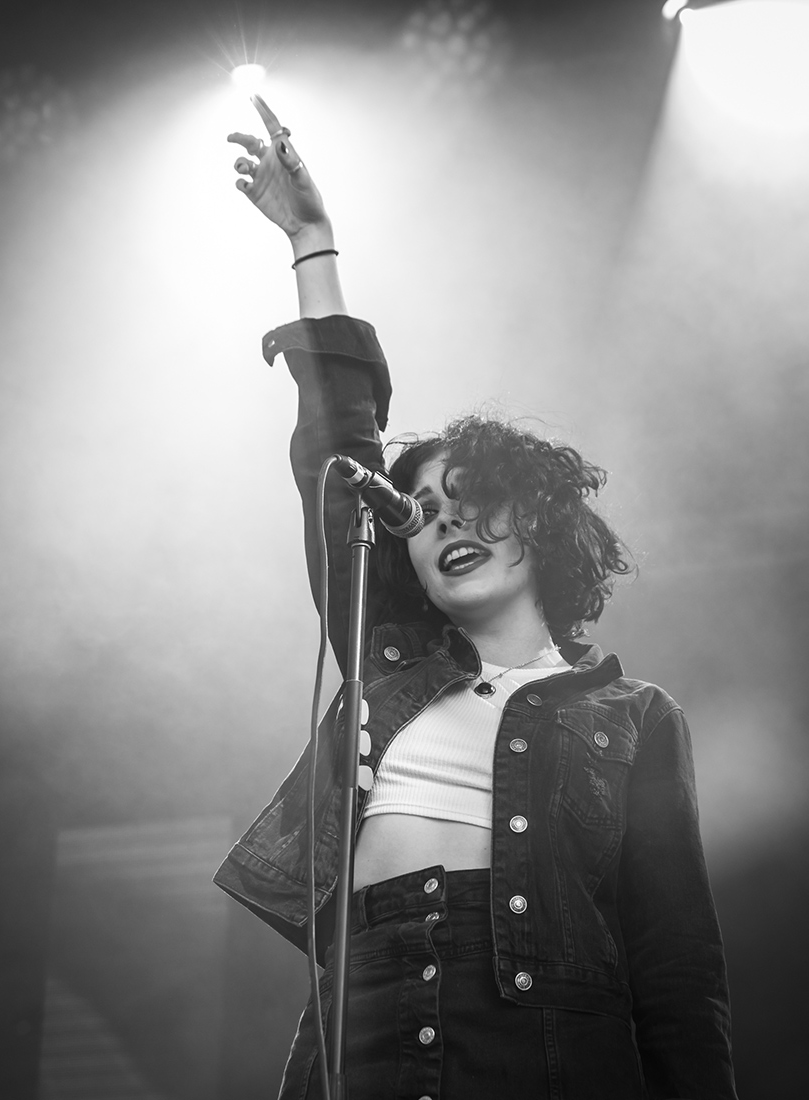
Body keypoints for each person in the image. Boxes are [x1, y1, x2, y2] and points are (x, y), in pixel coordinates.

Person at [214, 97, 738, 1100]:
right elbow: (339, 441)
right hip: (365, 1028)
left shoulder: (635, 718)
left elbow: (678, 969)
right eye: (421, 511)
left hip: (552, 1045)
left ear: (537, 518)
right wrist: (312, 243)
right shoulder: (389, 662)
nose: (443, 519)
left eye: (472, 497)